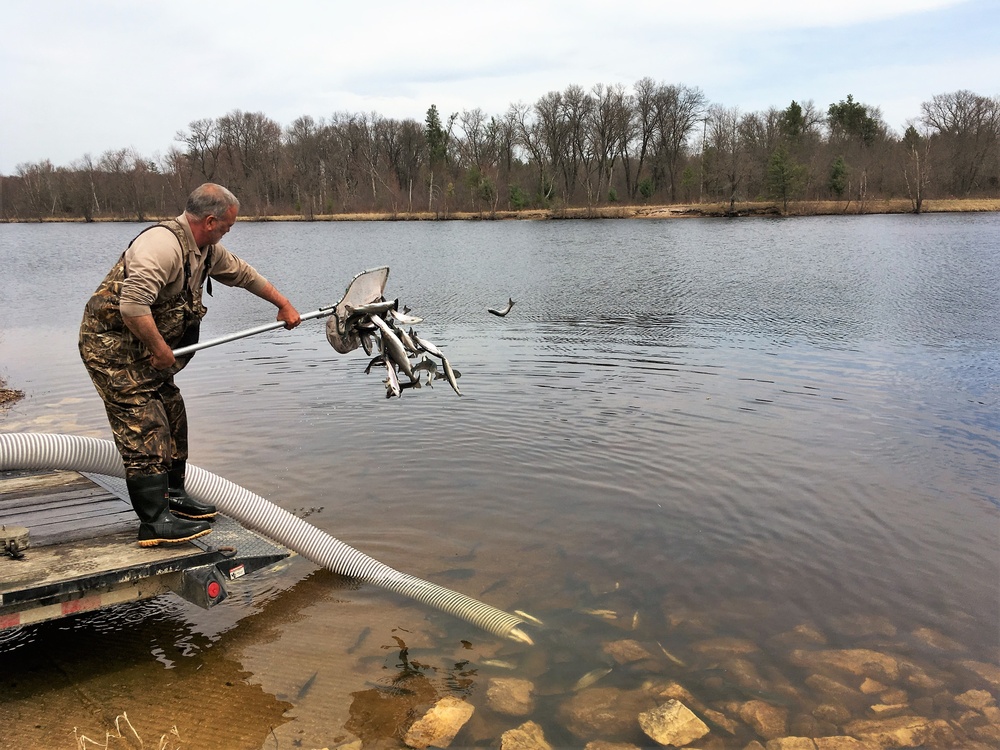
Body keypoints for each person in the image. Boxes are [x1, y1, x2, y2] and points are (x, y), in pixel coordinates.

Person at [79, 183, 301, 547]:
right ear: (210, 221)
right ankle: (154, 522)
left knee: (172, 413)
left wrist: (283, 304)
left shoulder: (205, 249)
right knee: (144, 423)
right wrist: (161, 348)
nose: (229, 231)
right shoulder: (160, 247)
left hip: (145, 352)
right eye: (227, 226)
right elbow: (132, 307)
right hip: (113, 349)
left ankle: (174, 496)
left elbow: (244, 275)